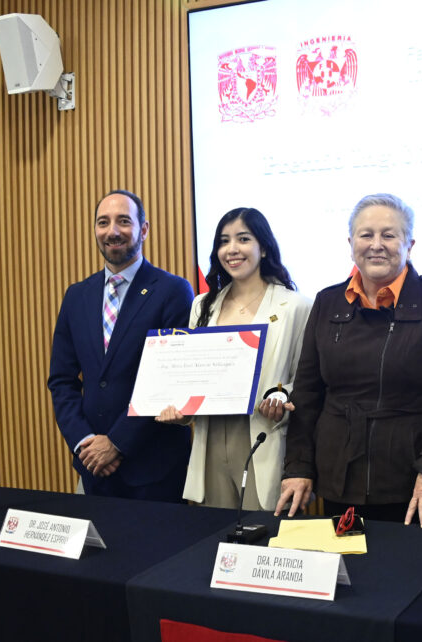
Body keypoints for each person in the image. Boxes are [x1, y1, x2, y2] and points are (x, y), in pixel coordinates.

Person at [274, 193, 422, 527]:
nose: (376, 244)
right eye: (366, 234)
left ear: (409, 243)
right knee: (347, 576)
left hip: (415, 482)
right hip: (339, 478)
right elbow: (308, 394)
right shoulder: (328, 302)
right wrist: (298, 466)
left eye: (389, 235)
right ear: (350, 242)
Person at [156, 208, 312, 510]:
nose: (232, 249)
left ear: (263, 247)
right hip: (209, 438)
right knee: (213, 539)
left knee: (262, 540)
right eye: (224, 241)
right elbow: (191, 375)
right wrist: (180, 409)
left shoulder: (296, 306)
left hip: (261, 435)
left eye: (243, 239)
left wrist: (281, 396)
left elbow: (306, 380)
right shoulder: (203, 304)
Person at [48, 190, 194, 501]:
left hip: (155, 469)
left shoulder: (173, 291)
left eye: (123, 221)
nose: (112, 231)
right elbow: (62, 381)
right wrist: (85, 441)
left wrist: (115, 443)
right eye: (103, 222)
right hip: (93, 468)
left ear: (143, 229)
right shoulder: (76, 296)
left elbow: (166, 381)